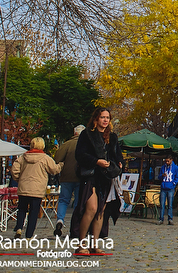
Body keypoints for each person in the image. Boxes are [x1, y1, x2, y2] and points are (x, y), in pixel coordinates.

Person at [69, 107, 123, 256]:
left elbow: (117, 155)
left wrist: (119, 164)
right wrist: (96, 161)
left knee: (101, 211)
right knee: (91, 208)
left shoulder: (112, 137)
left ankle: (94, 244)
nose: (105, 120)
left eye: (107, 117)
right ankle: (81, 243)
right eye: (102, 117)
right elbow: (80, 154)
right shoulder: (87, 135)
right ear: (96, 119)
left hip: (105, 177)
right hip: (91, 175)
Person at [11, 137, 63, 239]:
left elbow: (14, 170)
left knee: (21, 209)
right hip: (37, 190)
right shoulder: (45, 158)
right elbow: (54, 170)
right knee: (34, 212)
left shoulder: (22, 157)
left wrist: (20, 180)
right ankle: (29, 235)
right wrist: (61, 165)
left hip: (23, 188)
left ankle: (19, 228)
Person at [53, 124, 85, 236]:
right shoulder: (85, 145)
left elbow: (57, 159)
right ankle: (75, 225)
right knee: (77, 201)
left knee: (63, 200)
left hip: (66, 176)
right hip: (80, 177)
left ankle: (60, 220)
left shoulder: (66, 144)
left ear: (74, 133)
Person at [158, 155, 178, 225]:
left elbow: (177, 177)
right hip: (163, 188)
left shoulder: (175, 168)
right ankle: (161, 219)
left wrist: (173, 184)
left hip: (170, 188)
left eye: (168, 161)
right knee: (162, 204)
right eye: (166, 161)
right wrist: (162, 176)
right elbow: (158, 177)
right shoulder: (163, 167)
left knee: (170, 205)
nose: (167, 162)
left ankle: (170, 219)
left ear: (171, 160)